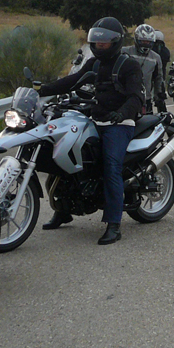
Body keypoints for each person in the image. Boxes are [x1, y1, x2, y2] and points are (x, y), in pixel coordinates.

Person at [38, 17, 144, 245]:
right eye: (96, 41)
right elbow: (72, 80)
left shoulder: (129, 65)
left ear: (115, 41)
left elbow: (136, 97)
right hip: (95, 120)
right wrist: (43, 89)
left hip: (119, 124)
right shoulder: (94, 64)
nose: (99, 45)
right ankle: (63, 210)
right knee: (64, 157)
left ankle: (114, 224)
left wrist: (121, 114)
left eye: (104, 41)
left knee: (111, 166)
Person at [122, 24, 165, 114]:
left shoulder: (156, 58)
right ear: (136, 39)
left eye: (148, 42)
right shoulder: (125, 52)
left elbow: (158, 79)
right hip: (125, 97)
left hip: (145, 99)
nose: (145, 44)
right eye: (143, 41)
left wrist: (159, 97)